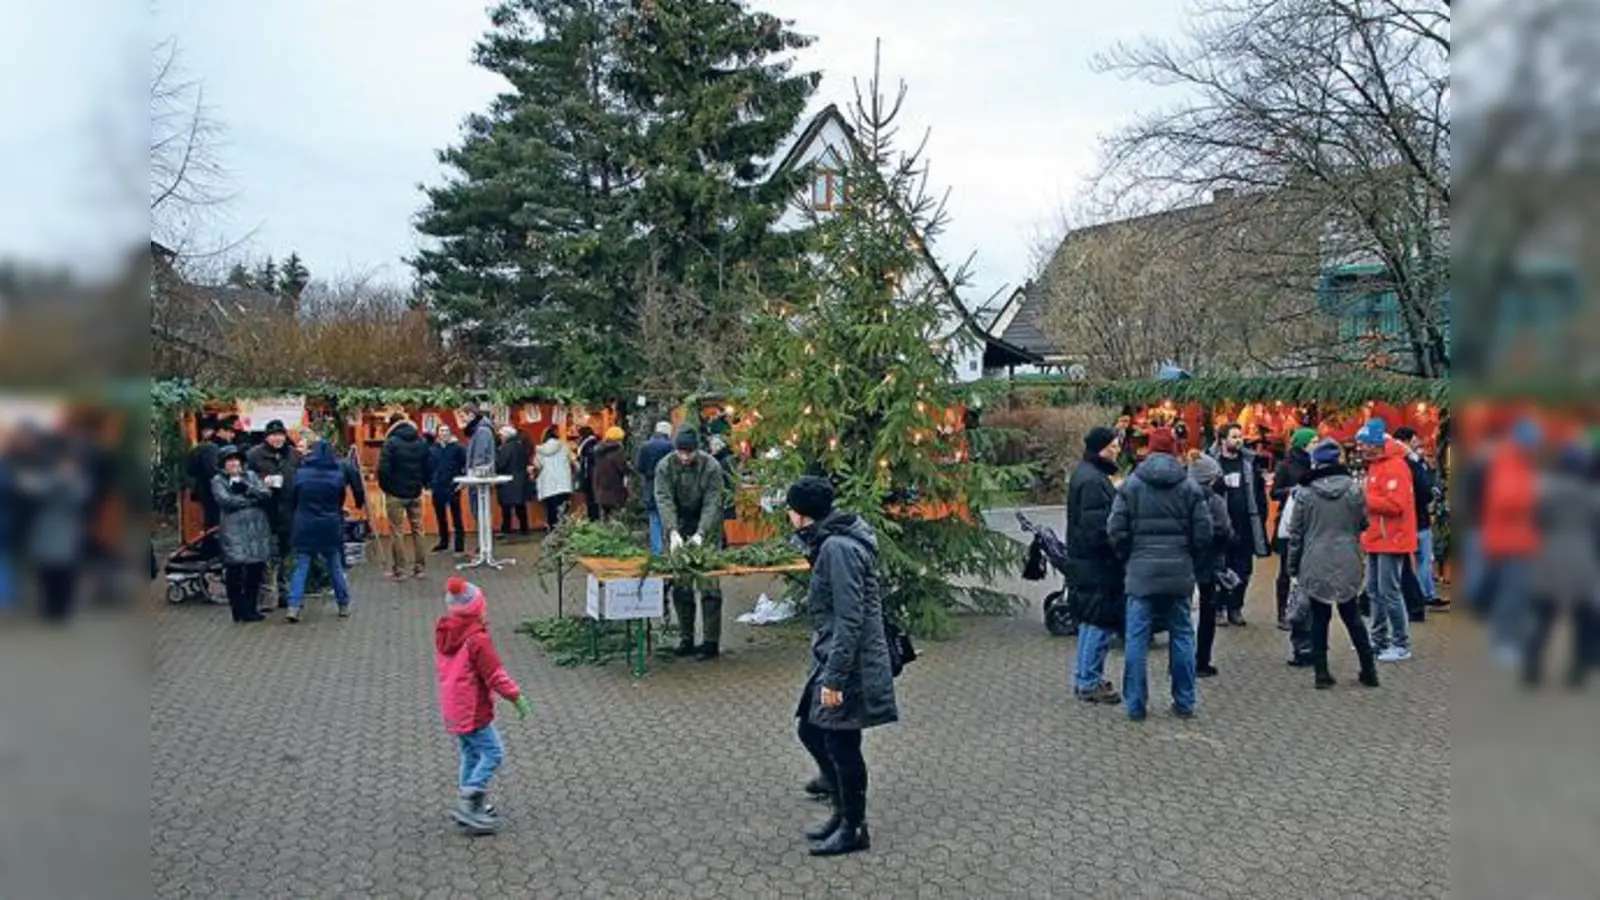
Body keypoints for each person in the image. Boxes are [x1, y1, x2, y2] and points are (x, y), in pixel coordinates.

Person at [785, 476, 898, 857]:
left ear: (802, 515)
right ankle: (841, 812)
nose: (787, 515)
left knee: (840, 741)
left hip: (850, 664)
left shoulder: (838, 548)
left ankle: (854, 826)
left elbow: (851, 619)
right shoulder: (828, 541)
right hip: (836, 656)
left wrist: (834, 678)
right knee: (812, 730)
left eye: (790, 509)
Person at [1108, 430, 1211, 722]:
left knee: (1137, 639)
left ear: (1149, 451)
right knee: (1182, 635)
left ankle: (1136, 705)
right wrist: (1189, 556)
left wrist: (1129, 556)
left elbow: (1115, 529)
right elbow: (1204, 532)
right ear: (1175, 450)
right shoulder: (1189, 487)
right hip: (1179, 573)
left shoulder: (1131, 486)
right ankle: (1184, 701)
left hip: (1141, 571)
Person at [434, 576, 534, 834]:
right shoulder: (477, 640)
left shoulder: (447, 630)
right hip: (472, 708)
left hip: (454, 707)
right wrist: (516, 697)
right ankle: (469, 800)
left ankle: (467, 801)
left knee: (470, 753)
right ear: (475, 610)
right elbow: (495, 675)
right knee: (494, 752)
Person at [1287, 439, 1380, 689]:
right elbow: (1364, 523)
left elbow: (1296, 533)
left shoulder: (1305, 492)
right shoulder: (1354, 489)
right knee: (1352, 616)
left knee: (1319, 618)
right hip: (1348, 557)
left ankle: (1321, 673)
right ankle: (1369, 670)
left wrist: (1293, 567)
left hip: (1315, 558)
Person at [1523, 442, 1599, 688]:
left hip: (1549, 557)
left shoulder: (1545, 491)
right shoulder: (1592, 495)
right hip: (1581, 559)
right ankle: (1577, 672)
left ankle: (1532, 665)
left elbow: (1535, 521)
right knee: (1583, 620)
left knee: (1544, 616)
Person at [655, 425, 728, 659]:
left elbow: (713, 502)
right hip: (678, 524)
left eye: (690, 452)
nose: (685, 457)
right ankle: (686, 637)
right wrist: (673, 531)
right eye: (681, 452)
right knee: (682, 584)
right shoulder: (665, 466)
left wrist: (701, 533)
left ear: (697, 450)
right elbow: (664, 499)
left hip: (707, 528)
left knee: (709, 585)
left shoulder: (711, 466)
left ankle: (710, 642)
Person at [1065, 425, 1124, 704]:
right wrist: (1114, 551)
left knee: (1092, 622)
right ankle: (1088, 681)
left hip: (1088, 563)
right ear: (1101, 448)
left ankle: (1087, 677)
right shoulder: (1093, 481)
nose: (1118, 450)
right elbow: (1097, 529)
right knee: (1097, 622)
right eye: (1113, 446)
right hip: (1097, 565)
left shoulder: (1089, 475)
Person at [1356, 418, 1418, 663]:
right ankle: (1379, 639)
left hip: (1392, 539)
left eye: (1363, 444)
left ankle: (1400, 643)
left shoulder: (1395, 467)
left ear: (1375, 444)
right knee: (1374, 591)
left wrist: (1365, 498)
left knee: (1389, 592)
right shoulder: (1376, 465)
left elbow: (1396, 506)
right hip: (1377, 537)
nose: (1360, 448)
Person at [284, 439, 366, 622]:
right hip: (330, 524)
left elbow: (294, 499)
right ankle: (343, 604)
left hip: (305, 523)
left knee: (301, 566)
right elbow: (339, 500)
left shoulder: (301, 474)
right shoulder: (337, 476)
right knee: (335, 566)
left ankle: (293, 606)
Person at [1207, 422, 1270, 627]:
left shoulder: (1249, 462)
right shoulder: (1211, 462)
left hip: (1246, 524)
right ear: (1223, 440)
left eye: (1239, 436)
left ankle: (1236, 607)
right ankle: (1219, 608)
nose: (1238, 440)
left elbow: (1259, 492)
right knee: (1220, 567)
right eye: (1234, 437)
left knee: (1243, 569)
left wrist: (1260, 516)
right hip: (1221, 525)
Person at [211, 446, 274, 624]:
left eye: (236, 460)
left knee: (255, 570)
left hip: (256, 529)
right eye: (229, 461)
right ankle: (238, 610)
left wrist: (246, 488)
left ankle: (251, 608)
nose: (233, 464)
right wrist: (251, 501)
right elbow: (226, 501)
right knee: (235, 571)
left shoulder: (251, 476)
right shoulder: (218, 480)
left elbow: (265, 493)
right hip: (234, 530)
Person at [247, 419, 303, 612]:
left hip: (290, 513)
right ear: (266, 437)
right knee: (269, 556)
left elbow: (302, 479)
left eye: (280, 434)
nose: (277, 438)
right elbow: (247, 481)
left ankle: (287, 594)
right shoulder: (254, 456)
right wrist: (264, 482)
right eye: (273, 435)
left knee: (288, 556)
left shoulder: (294, 455)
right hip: (265, 512)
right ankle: (268, 597)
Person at [1187, 452, 1234, 678]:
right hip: (1209, 564)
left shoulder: (1181, 497)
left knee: (1183, 616)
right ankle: (1202, 661)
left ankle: (1183, 660)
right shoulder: (1214, 501)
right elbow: (1225, 530)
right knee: (1207, 614)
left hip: (1184, 564)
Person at [1272, 427, 1317, 633]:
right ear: (1303, 444)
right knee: (1285, 569)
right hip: (1289, 522)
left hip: (1313, 522)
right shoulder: (1286, 465)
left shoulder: (1317, 465)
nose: (1316, 444)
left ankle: (1305, 610)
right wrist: (1292, 491)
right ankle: (1282, 612)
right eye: (1313, 441)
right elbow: (1274, 492)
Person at [377, 412, 432, 581]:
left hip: (395, 494)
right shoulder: (421, 442)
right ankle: (420, 568)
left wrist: (387, 488)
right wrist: (422, 484)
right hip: (415, 492)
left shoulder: (391, 443)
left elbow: (383, 469)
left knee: (397, 531)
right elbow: (428, 466)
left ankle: (400, 570)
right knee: (418, 529)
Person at [1393, 426, 1441, 610]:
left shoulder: (1395, 462)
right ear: (1407, 440)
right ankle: (1420, 595)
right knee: (1422, 558)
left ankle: (1426, 593)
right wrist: (1429, 493)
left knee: (1415, 559)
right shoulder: (1411, 462)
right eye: (1415, 439)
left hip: (1406, 519)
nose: (1418, 443)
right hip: (1418, 518)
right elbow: (1423, 489)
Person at [635, 422, 675, 554]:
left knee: (654, 517)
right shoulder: (670, 446)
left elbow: (639, 467)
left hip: (650, 484)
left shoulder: (645, 446)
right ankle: (671, 548)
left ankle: (656, 551)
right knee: (669, 515)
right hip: (668, 484)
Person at [430, 425, 467, 555]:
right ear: (437, 433)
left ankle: (459, 546)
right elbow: (429, 467)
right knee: (440, 516)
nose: (444, 433)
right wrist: (429, 483)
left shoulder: (458, 448)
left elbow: (466, 465)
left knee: (456, 516)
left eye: (447, 430)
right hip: (438, 486)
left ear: (450, 433)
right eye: (442, 431)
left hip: (453, 486)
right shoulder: (433, 449)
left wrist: (463, 481)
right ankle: (443, 542)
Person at [532, 427, 575, 530]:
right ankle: (562, 530)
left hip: (548, 484)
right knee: (563, 508)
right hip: (564, 483)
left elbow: (538, 465)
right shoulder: (565, 447)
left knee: (551, 509)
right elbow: (573, 461)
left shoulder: (540, 450)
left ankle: (553, 530)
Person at [494, 425, 532, 537]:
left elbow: (500, 464)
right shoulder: (520, 446)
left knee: (506, 507)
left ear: (505, 436)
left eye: (500, 435)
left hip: (507, 480)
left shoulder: (505, 448)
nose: (500, 438)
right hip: (520, 479)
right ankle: (524, 528)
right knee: (520, 506)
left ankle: (506, 528)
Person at [591, 426, 630, 520]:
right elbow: (623, 468)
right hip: (614, 488)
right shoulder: (618, 451)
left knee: (604, 517)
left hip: (601, 488)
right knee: (615, 517)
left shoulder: (599, 450)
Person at [575, 426, 600, 522]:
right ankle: (593, 518)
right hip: (593, 474)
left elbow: (586, 463)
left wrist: (583, 476)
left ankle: (593, 519)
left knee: (591, 498)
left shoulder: (587, 446)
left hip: (590, 475)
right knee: (592, 498)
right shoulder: (593, 443)